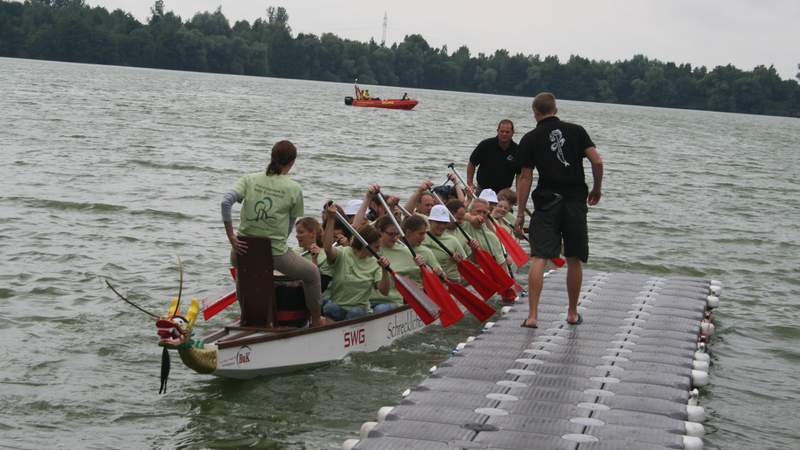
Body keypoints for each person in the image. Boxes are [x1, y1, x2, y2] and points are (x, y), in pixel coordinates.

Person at [515, 92, 603, 328]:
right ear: (556, 109)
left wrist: (521, 212)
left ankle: (533, 316)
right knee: (573, 258)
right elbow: (597, 161)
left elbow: (525, 177)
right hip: (575, 201)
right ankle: (572, 313)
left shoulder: (530, 138)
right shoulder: (577, 130)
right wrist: (596, 188)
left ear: (535, 112)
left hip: (547, 203)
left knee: (539, 257)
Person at [221, 140, 329, 327]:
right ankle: (317, 320)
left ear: (271, 156)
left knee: (244, 274)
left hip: (240, 251)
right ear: (292, 162)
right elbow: (289, 226)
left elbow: (225, 203)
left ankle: (246, 317)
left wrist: (231, 236)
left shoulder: (249, 179)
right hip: (275, 253)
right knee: (312, 274)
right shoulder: (294, 188)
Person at [322, 203, 391, 321]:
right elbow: (328, 248)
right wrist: (331, 219)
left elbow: (384, 292)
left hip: (360, 311)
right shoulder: (342, 253)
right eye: (376, 246)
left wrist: (385, 270)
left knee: (355, 312)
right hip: (338, 307)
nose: (379, 250)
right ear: (366, 245)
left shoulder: (376, 262)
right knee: (329, 307)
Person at [467, 119, 520, 194]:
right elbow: (472, 163)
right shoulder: (485, 145)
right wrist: (470, 184)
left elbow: (520, 174)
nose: (504, 134)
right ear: (497, 131)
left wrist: (518, 192)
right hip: (483, 189)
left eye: (507, 132)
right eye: (502, 131)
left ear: (513, 133)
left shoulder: (517, 150)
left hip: (504, 193)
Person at [423, 204, 467, 280]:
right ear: (430, 221)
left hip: (451, 280)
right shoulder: (421, 237)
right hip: (431, 280)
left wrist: (460, 261)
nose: (442, 226)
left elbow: (465, 264)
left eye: (444, 223)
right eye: (438, 222)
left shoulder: (453, 240)